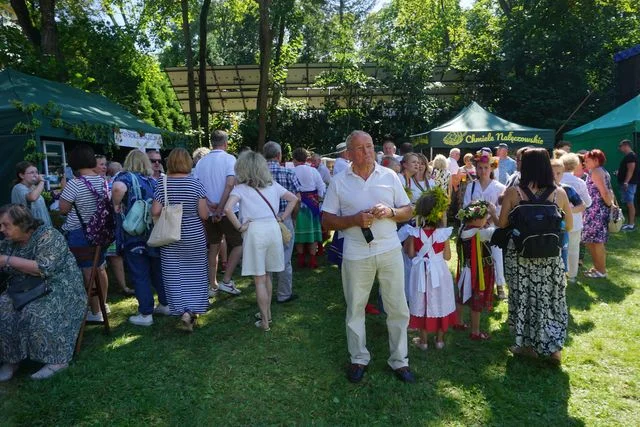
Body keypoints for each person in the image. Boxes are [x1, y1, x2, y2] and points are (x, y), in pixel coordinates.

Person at [322, 130, 415, 384]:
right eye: (360, 148)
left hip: (389, 249)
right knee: (355, 307)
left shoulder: (390, 176)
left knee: (397, 306)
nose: (367, 152)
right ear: (349, 153)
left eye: (370, 147)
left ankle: (400, 360)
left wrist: (391, 211)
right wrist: (353, 219)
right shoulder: (339, 181)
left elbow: (408, 211)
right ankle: (358, 358)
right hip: (355, 252)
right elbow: (326, 220)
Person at [498, 148, 573, 364]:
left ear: (526, 167)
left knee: (524, 298)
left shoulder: (515, 193)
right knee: (550, 299)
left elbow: (503, 224)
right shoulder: (559, 193)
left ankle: (527, 345)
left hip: (521, 256)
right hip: (549, 256)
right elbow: (568, 224)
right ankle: (554, 348)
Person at [0, 204, 86, 381]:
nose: (2, 229)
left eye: (6, 225)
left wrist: (7, 260)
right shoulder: (9, 243)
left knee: (37, 311)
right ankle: (11, 359)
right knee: (4, 307)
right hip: (25, 288)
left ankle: (57, 361)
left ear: (22, 223)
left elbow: (43, 268)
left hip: (59, 287)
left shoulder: (48, 235)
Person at [223, 151, 298, 331]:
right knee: (268, 275)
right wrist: (282, 217)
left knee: (259, 279)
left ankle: (265, 321)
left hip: (255, 231)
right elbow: (293, 199)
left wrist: (239, 227)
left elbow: (227, 209)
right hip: (272, 230)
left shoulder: (240, 189)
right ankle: (268, 314)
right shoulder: (272, 185)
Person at [152, 148, 209, 331]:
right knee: (196, 274)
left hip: (170, 235)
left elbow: (154, 211)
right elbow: (204, 214)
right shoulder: (196, 184)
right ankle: (192, 310)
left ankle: (183, 310)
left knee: (174, 275)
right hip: (194, 235)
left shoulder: (163, 184)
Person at [112, 150, 169, 326]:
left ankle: (146, 314)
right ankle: (165, 304)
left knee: (139, 273)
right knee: (157, 270)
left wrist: (115, 204)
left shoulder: (125, 177)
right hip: (154, 233)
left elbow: (118, 188)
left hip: (134, 234)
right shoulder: (153, 181)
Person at [58, 144, 110, 323]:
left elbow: (63, 210)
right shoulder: (104, 181)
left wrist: (65, 189)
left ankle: (96, 312)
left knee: (88, 271)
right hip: (101, 230)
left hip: (80, 232)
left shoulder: (75, 183)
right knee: (101, 267)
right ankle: (103, 305)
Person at [405, 188, 456, 351]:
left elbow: (412, 254)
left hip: (420, 271)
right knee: (440, 300)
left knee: (422, 302)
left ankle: (424, 341)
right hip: (439, 271)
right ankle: (440, 340)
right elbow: (447, 256)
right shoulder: (443, 234)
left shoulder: (415, 232)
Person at [193, 130, 243, 296]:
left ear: (211, 143)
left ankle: (212, 284)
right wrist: (221, 208)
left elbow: (197, 186)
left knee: (213, 247)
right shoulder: (229, 159)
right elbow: (229, 184)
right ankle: (226, 281)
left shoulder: (201, 162)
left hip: (208, 211)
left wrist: (209, 203)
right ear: (226, 143)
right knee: (238, 244)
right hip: (226, 211)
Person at [463, 151, 507, 300]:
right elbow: (466, 207)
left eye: (486, 167)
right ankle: (476, 281)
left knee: (496, 252)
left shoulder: (499, 187)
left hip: (492, 226)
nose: (482, 171)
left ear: (492, 168)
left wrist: (488, 221)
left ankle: (500, 284)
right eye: (480, 168)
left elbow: (501, 211)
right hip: (474, 227)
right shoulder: (471, 186)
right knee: (476, 254)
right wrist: (475, 220)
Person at [263, 141, 302, 303]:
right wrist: (293, 217)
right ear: (279, 156)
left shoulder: (257, 175)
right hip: (284, 218)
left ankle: (265, 294)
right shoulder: (288, 173)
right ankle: (284, 294)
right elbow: (297, 199)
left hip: (264, 220)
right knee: (285, 256)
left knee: (265, 258)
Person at [454, 200, 495, 340]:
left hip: (466, 268)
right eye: (485, 217)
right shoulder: (481, 233)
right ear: (477, 219)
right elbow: (500, 228)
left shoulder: (462, 229)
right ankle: (476, 331)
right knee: (477, 300)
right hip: (479, 271)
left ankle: (458, 322)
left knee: (460, 297)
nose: (487, 219)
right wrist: (494, 214)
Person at [582, 149, 614, 278]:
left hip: (596, 211)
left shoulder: (596, 171)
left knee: (597, 242)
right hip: (593, 211)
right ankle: (597, 268)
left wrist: (610, 206)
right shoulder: (599, 171)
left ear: (596, 160)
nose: (585, 162)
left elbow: (605, 192)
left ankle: (601, 271)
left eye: (587, 160)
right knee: (591, 241)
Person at [292, 148, 326, 269]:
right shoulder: (313, 170)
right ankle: (312, 260)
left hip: (297, 204)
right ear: (306, 159)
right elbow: (321, 187)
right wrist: (320, 201)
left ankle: (301, 259)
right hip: (313, 204)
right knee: (312, 233)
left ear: (295, 159)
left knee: (299, 232)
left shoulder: (291, 170)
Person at [560, 153, 592, 283]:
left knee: (558, 248)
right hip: (575, 220)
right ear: (575, 165)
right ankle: (572, 275)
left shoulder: (556, 180)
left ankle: (560, 274)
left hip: (559, 220)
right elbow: (588, 203)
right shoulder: (579, 182)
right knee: (573, 248)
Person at [551, 159, 584, 274]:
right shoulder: (540, 189)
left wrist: (567, 210)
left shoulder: (567, 189)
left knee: (565, 250)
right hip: (547, 229)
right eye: (552, 173)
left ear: (563, 173)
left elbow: (581, 206)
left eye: (558, 173)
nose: (555, 176)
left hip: (563, 227)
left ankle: (568, 274)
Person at [104, 160, 132, 296]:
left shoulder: (113, 182)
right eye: (101, 164)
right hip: (114, 223)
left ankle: (124, 285)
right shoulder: (111, 182)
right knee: (116, 255)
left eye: (104, 164)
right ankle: (124, 285)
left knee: (116, 255)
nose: (103, 167)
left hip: (114, 223)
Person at [11, 161, 52, 226]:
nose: (36, 175)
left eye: (36, 172)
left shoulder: (33, 187)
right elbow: (32, 197)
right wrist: (42, 181)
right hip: (29, 226)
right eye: (32, 173)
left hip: (42, 224)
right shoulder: (18, 187)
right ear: (21, 175)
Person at [617, 139, 637, 231]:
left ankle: (631, 225)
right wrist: (619, 173)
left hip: (629, 184)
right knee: (628, 203)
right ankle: (629, 223)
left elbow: (631, 169)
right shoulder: (629, 156)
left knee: (630, 204)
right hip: (628, 183)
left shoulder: (630, 156)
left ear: (625, 145)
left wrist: (626, 182)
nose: (619, 148)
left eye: (620, 146)